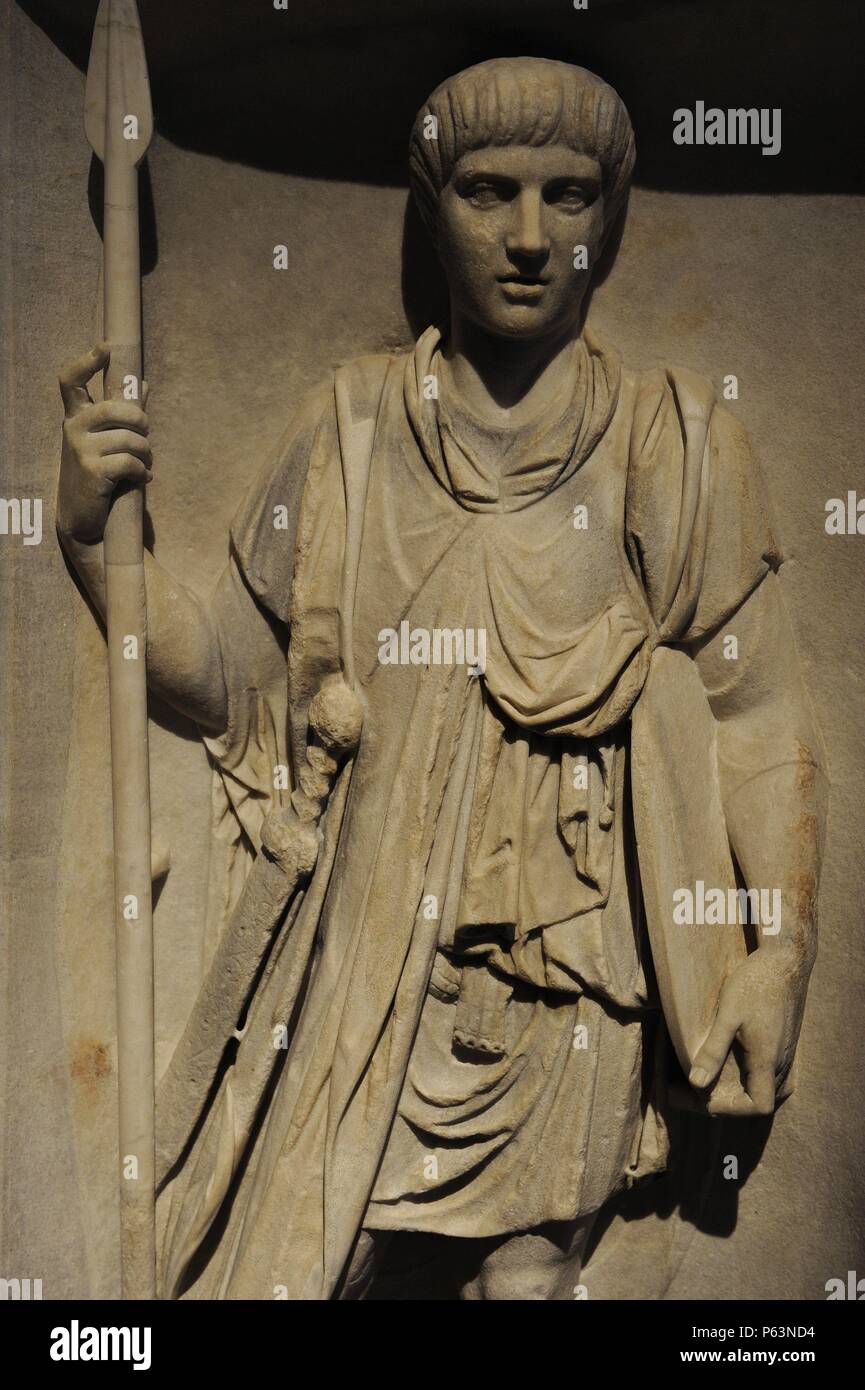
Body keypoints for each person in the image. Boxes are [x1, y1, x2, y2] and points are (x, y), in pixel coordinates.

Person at [56, 57, 826, 1300]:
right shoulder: (352, 432)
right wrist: (99, 544)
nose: (528, 238)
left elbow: (758, 713)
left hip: (567, 984)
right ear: (432, 209)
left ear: (611, 217)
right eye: (485, 192)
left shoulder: (673, 448)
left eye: (567, 197)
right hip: (360, 974)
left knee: (527, 1289)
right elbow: (231, 692)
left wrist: (772, 955)